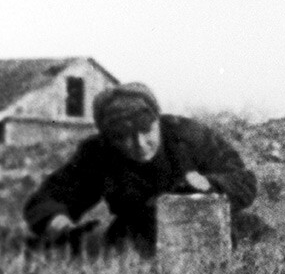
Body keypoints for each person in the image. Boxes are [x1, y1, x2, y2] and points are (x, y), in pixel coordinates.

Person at [23, 82, 271, 255]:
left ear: (157, 121)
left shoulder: (189, 135)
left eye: (146, 131)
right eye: (123, 137)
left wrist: (210, 184)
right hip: (139, 233)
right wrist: (59, 224)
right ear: (109, 138)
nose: (139, 145)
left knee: (258, 238)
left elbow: (244, 181)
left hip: (215, 226)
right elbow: (49, 199)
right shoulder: (98, 153)